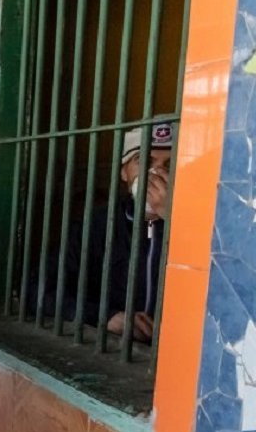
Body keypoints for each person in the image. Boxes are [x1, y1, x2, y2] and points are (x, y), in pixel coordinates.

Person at [43, 122, 175, 342]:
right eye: (143, 161)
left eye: (170, 164)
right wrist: (105, 316)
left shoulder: (203, 225)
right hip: (112, 348)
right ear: (124, 171)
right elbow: (41, 289)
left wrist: (174, 218)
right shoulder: (98, 224)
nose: (156, 173)